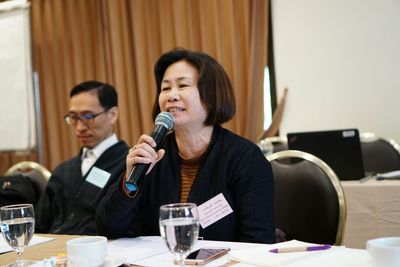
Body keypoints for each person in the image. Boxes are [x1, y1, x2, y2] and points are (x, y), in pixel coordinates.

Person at [96, 48, 276, 243]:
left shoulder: (245, 158)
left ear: (212, 94)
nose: (171, 96)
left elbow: (259, 242)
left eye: (182, 85)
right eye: (165, 88)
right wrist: (129, 184)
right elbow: (108, 228)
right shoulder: (151, 153)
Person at [35, 81, 129, 235]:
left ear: (112, 114)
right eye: (73, 117)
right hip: (53, 253)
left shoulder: (129, 164)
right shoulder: (63, 170)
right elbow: (39, 224)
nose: (79, 128)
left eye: (87, 116)